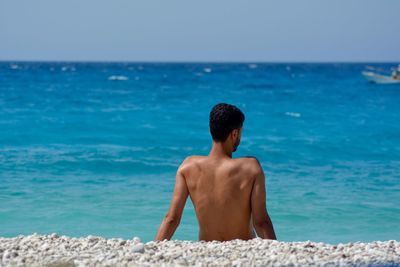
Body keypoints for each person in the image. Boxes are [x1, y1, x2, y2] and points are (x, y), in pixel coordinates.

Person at [155, 103, 276, 241]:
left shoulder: (188, 167)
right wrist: (276, 253)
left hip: (206, 247)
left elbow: (171, 219)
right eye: (240, 133)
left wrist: (154, 250)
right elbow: (261, 222)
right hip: (241, 246)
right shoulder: (251, 168)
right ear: (234, 134)